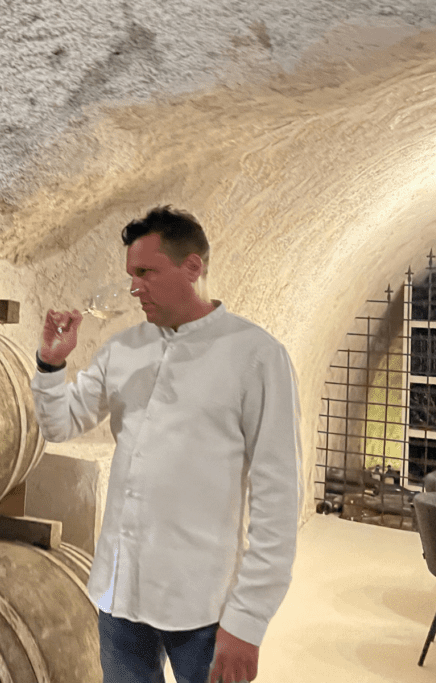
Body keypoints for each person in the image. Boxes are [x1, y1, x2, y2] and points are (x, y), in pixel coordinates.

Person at [31, 206, 301, 683]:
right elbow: (61, 425)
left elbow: (278, 499)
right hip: (120, 594)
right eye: (132, 275)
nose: (135, 287)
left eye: (146, 273)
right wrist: (51, 367)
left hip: (202, 605)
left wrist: (249, 621)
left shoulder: (256, 356)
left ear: (193, 267)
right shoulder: (123, 347)